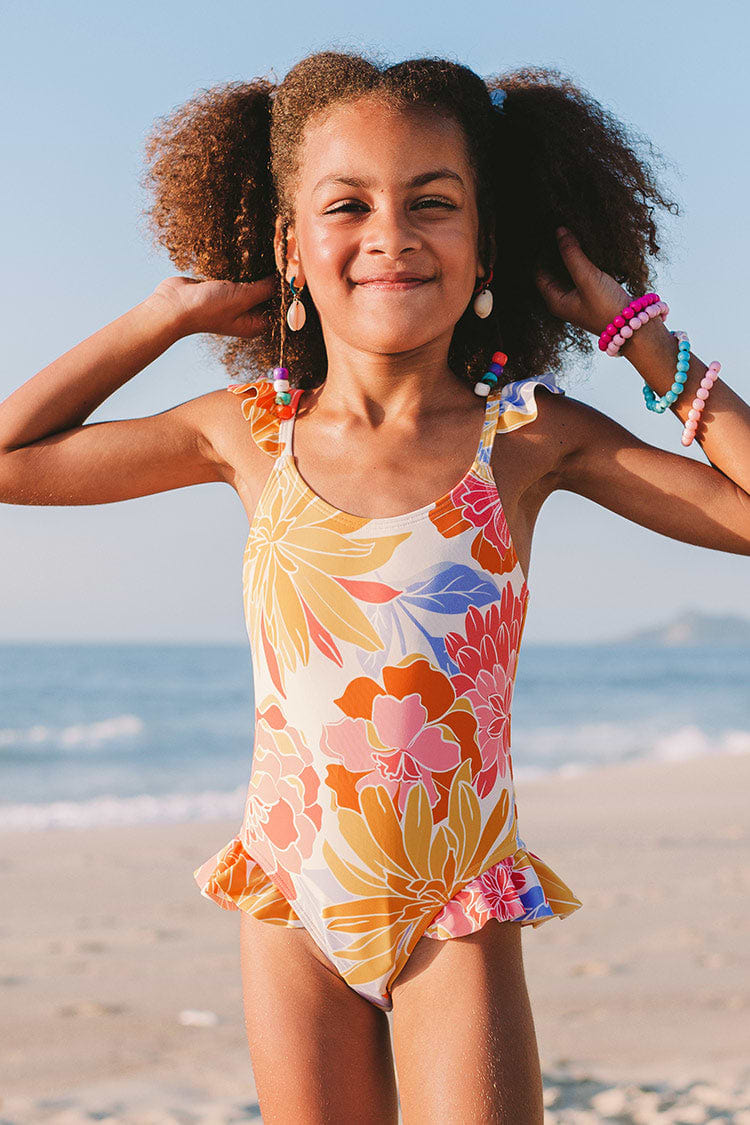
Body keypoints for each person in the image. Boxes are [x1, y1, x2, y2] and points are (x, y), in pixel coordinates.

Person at [1, 48, 748, 1125]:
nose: (390, 234)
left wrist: (643, 340)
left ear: (485, 240)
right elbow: (12, 460)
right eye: (346, 205)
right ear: (289, 248)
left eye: (432, 203)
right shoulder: (249, 435)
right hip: (289, 901)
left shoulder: (528, 441)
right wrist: (168, 315)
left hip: (454, 913)